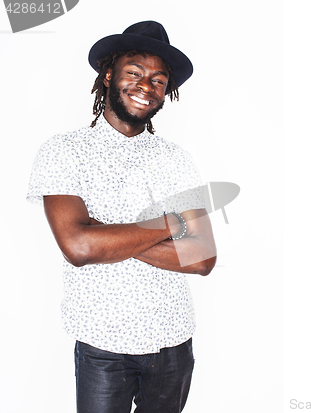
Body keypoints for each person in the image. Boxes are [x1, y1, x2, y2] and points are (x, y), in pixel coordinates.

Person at [26, 20, 216, 413]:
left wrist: (104, 236)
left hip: (173, 341)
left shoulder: (176, 159)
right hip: (102, 347)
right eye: (134, 72)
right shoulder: (64, 152)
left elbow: (202, 258)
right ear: (109, 74)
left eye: (159, 80)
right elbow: (78, 247)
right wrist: (171, 224)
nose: (146, 86)